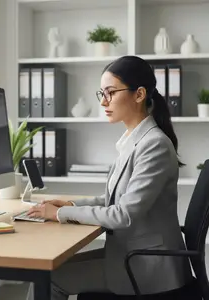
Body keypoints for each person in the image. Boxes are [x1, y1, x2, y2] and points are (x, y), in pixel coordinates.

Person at [26, 55, 193, 300]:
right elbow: (114, 200)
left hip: (146, 266)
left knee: (48, 278)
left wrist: (59, 214)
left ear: (139, 94)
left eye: (111, 92)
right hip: (131, 253)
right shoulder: (133, 140)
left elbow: (123, 215)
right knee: (49, 268)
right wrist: (72, 205)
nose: (104, 101)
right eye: (101, 93)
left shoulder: (153, 144)